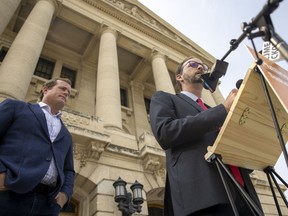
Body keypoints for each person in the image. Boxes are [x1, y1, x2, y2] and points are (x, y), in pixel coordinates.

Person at [149, 57, 262, 216]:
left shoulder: (214, 111)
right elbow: (165, 132)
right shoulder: (165, 98)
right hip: (204, 197)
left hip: (244, 196)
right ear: (179, 77)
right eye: (193, 65)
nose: (200, 68)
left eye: (204, 66)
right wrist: (222, 109)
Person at [0, 77, 75, 215]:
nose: (66, 93)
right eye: (62, 89)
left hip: (47, 204)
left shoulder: (66, 134)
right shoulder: (16, 107)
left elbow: (68, 169)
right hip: (9, 193)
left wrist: (65, 194)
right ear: (45, 90)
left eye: (69, 93)